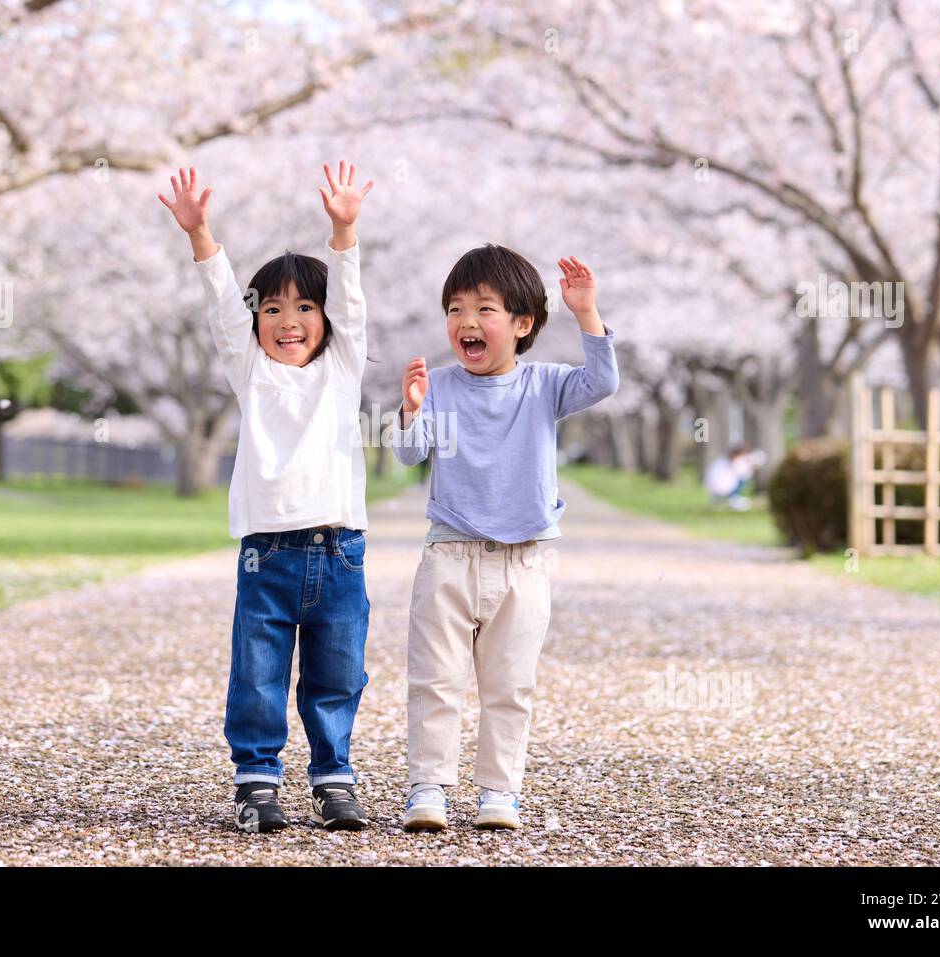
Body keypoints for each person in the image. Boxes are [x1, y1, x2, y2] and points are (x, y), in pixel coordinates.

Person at [159, 162, 374, 833]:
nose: (288, 321)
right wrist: (201, 235)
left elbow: (351, 301)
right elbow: (225, 304)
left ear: (326, 319)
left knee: (337, 673)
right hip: (266, 556)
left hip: (339, 551)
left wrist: (343, 230)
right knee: (257, 673)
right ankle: (256, 781)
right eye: (273, 309)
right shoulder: (250, 373)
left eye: (304, 308)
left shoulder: (342, 368)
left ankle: (333, 778)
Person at [389, 248, 620, 830]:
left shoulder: (544, 386)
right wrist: (411, 410)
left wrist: (586, 313)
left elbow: (603, 380)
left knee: (510, 685)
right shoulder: (439, 385)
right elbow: (410, 453)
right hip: (449, 556)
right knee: (435, 680)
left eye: (484, 309)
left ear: (522, 325)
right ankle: (429, 788)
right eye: (456, 308)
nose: (467, 321)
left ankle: (498, 790)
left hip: (524, 562)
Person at [704, 445, 762, 511]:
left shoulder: (722, 459)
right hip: (722, 488)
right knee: (743, 479)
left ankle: (720, 500)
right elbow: (744, 474)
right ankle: (733, 499)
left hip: (711, 488)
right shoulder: (734, 461)